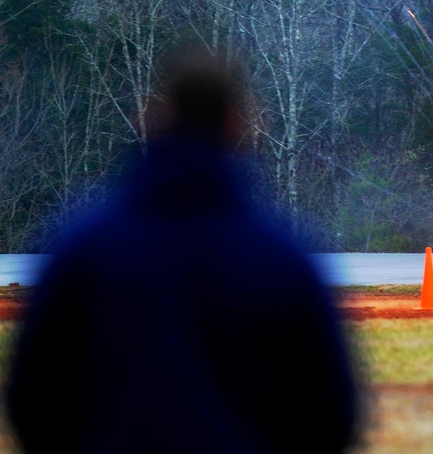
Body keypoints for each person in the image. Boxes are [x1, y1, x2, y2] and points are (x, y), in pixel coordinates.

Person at [6, 47, 360, 453]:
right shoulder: (285, 255)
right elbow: (332, 416)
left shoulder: (82, 243)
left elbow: (32, 400)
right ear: (237, 124)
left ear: (157, 119)